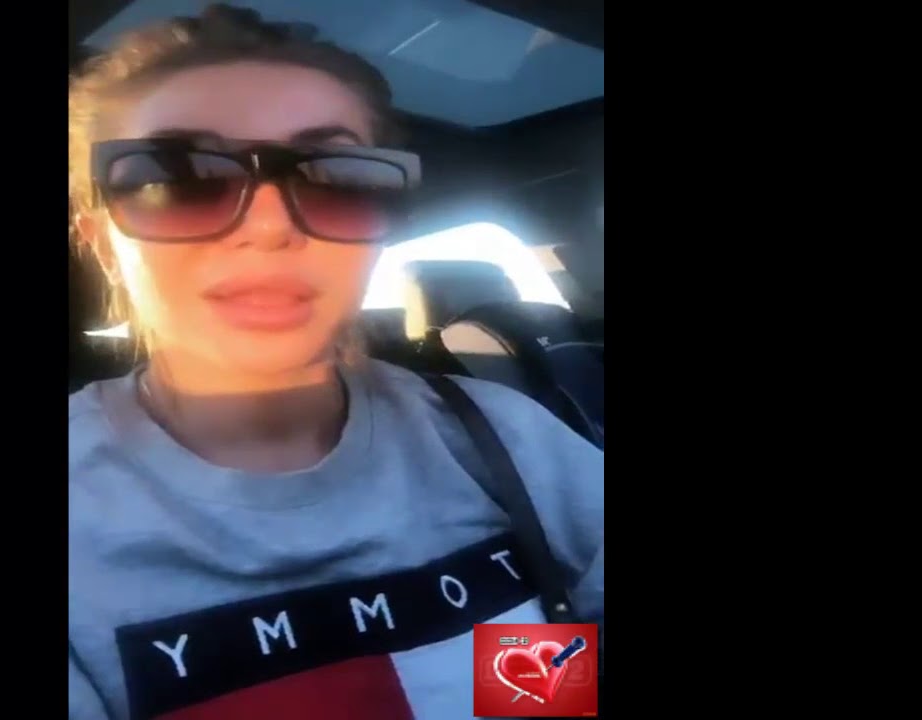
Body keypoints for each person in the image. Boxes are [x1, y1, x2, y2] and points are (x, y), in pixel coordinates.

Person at [68, 6, 603, 719]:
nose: (269, 226)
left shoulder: (499, 432)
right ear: (102, 242)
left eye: (337, 177)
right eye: (179, 177)